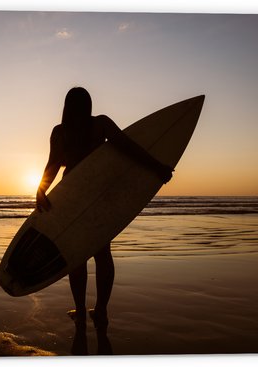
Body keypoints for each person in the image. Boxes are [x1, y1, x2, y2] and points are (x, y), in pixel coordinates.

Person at [35, 87, 172, 328]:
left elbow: (53, 165)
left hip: (72, 196)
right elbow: (130, 148)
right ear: (89, 104)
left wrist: (41, 189)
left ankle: (80, 312)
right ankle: (100, 311)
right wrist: (156, 166)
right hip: (100, 195)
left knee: (76, 256)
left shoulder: (60, 132)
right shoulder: (100, 124)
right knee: (102, 252)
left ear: (66, 106)